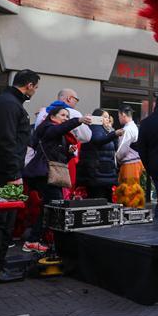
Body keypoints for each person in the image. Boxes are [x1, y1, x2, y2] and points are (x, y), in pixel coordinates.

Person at [0, 70, 39, 282]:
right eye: (36, 87)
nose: (35, 91)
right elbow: (7, 141)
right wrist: (14, 174)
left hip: (4, 170)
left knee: (5, 220)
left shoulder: (7, 102)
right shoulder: (8, 104)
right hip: (4, 172)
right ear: (30, 85)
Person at [23, 104, 91, 251]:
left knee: (50, 207)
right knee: (53, 207)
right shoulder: (47, 127)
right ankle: (34, 240)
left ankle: (36, 239)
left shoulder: (59, 134)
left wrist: (69, 152)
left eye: (67, 116)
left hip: (50, 174)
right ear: (52, 117)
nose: (65, 118)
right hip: (44, 174)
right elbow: (58, 130)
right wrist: (77, 120)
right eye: (62, 115)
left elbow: (60, 159)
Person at [76, 108, 123, 201]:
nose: (108, 119)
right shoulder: (95, 128)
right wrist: (114, 134)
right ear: (97, 118)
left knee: (105, 201)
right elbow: (98, 140)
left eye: (108, 117)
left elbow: (115, 147)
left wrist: (113, 134)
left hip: (104, 173)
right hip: (97, 173)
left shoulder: (105, 130)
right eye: (105, 117)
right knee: (98, 201)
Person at [114, 106, 145, 208]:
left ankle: (130, 211)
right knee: (134, 189)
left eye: (119, 116)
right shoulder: (134, 127)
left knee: (128, 190)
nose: (118, 118)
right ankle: (135, 210)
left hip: (129, 163)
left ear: (123, 114)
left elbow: (122, 149)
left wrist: (117, 159)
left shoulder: (127, 129)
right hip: (136, 162)